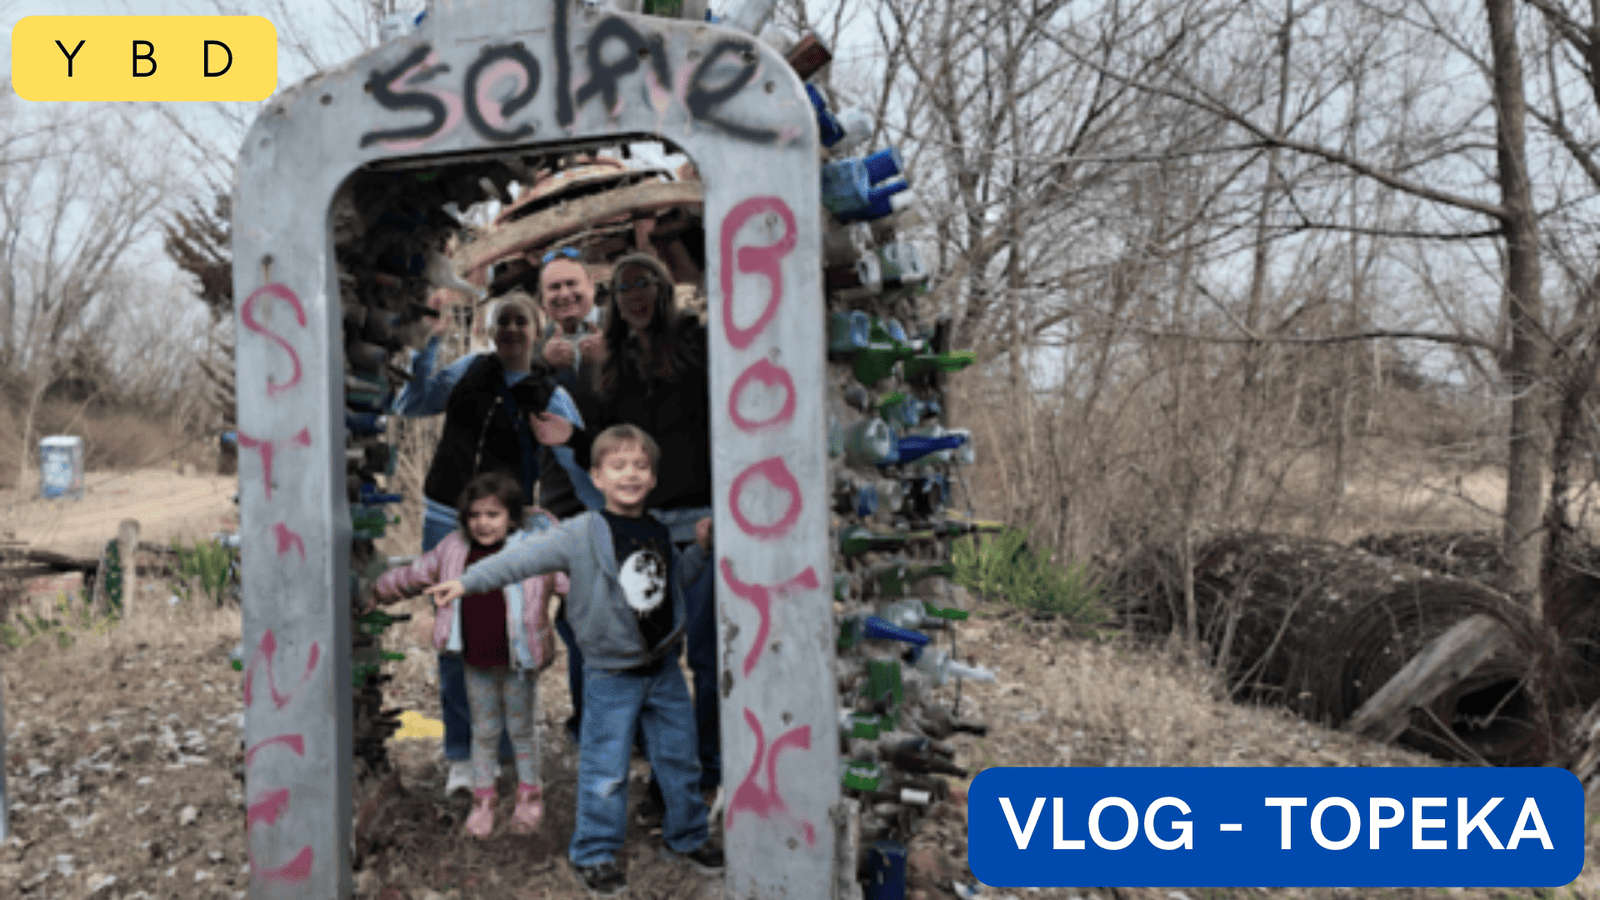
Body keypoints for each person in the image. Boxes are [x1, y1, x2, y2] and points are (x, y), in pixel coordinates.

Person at [427, 425, 723, 896]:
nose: (630, 474)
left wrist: (700, 553)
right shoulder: (580, 534)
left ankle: (686, 835)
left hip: (663, 669)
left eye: (640, 466)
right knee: (606, 771)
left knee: (679, 759)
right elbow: (520, 560)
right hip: (611, 674)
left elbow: (669, 586)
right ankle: (595, 852)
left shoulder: (658, 530)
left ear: (652, 479)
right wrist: (468, 582)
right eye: (618, 466)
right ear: (597, 477)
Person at [391, 291, 582, 797]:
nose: (512, 330)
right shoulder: (469, 370)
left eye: (522, 322)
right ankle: (460, 754)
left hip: (507, 532)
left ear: (537, 331)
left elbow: (578, 460)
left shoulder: (548, 395)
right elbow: (411, 403)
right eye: (504, 321)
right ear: (492, 330)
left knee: (505, 635)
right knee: (454, 636)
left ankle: (503, 752)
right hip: (444, 520)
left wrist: (602, 522)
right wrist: (428, 345)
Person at [572, 253, 720, 793]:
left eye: (644, 282)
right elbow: (603, 443)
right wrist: (575, 420)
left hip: (700, 519)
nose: (635, 294)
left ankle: (707, 765)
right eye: (623, 286)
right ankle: (666, 773)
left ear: (662, 288)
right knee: (655, 656)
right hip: (645, 526)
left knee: (705, 654)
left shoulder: (695, 344)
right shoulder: (612, 364)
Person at [369, 472, 562, 838]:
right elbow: (415, 574)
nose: (482, 523)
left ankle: (529, 795)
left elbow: (573, 577)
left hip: (518, 661)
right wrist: (377, 592)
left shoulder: (533, 550)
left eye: (493, 514)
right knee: (484, 730)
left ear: (512, 517)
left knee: (520, 729)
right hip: (476, 660)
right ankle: (483, 799)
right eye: (474, 515)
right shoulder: (453, 549)